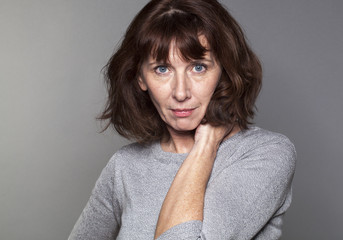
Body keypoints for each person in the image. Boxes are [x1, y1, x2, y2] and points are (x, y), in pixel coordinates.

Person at [68, 0, 296, 239]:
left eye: (198, 67)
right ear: (140, 78)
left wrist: (205, 147)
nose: (180, 92)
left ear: (224, 70)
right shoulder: (125, 166)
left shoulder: (266, 154)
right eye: (162, 69)